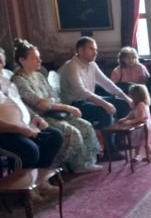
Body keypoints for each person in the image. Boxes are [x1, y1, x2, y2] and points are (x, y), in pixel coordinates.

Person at [11, 39, 102, 174]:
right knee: (72, 132)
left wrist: (49, 102)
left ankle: (85, 162)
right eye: (35, 58)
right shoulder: (18, 80)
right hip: (38, 118)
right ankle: (64, 165)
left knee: (86, 126)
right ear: (22, 60)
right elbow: (40, 105)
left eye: (39, 57)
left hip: (54, 112)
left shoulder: (39, 76)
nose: (40, 61)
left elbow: (52, 97)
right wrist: (66, 107)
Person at [59, 36, 132, 158]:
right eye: (91, 49)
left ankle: (116, 142)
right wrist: (105, 104)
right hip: (74, 104)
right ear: (80, 51)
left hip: (88, 99)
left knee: (123, 105)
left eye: (96, 49)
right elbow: (81, 92)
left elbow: (107, 83)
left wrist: (126, 97)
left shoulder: (92, 65)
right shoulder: (72, 66)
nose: (95, 52)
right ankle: (108, 150)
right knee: (105, 111)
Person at [0, 70, 64, 201]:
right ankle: (23, 191)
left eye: (2, 61)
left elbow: (18, 102)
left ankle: (40, 182)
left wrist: (35, 117)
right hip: (5, 132)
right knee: (29, 150)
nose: (1, 63)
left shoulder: (6, 77)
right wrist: (19, 129)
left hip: (22, 126)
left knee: (54, 136)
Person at [118, 84, 151, 163]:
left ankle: (150, 154)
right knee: (136, 143)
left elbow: (142, 117)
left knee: (146, 143)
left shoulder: (141, 104)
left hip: (144, 126)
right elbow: (132, 113)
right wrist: (126, 118)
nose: (129, 95)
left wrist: (130, 122)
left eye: (131, 94)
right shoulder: (136, 105)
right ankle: (137, 155)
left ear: (136, 96)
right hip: (139, 126)